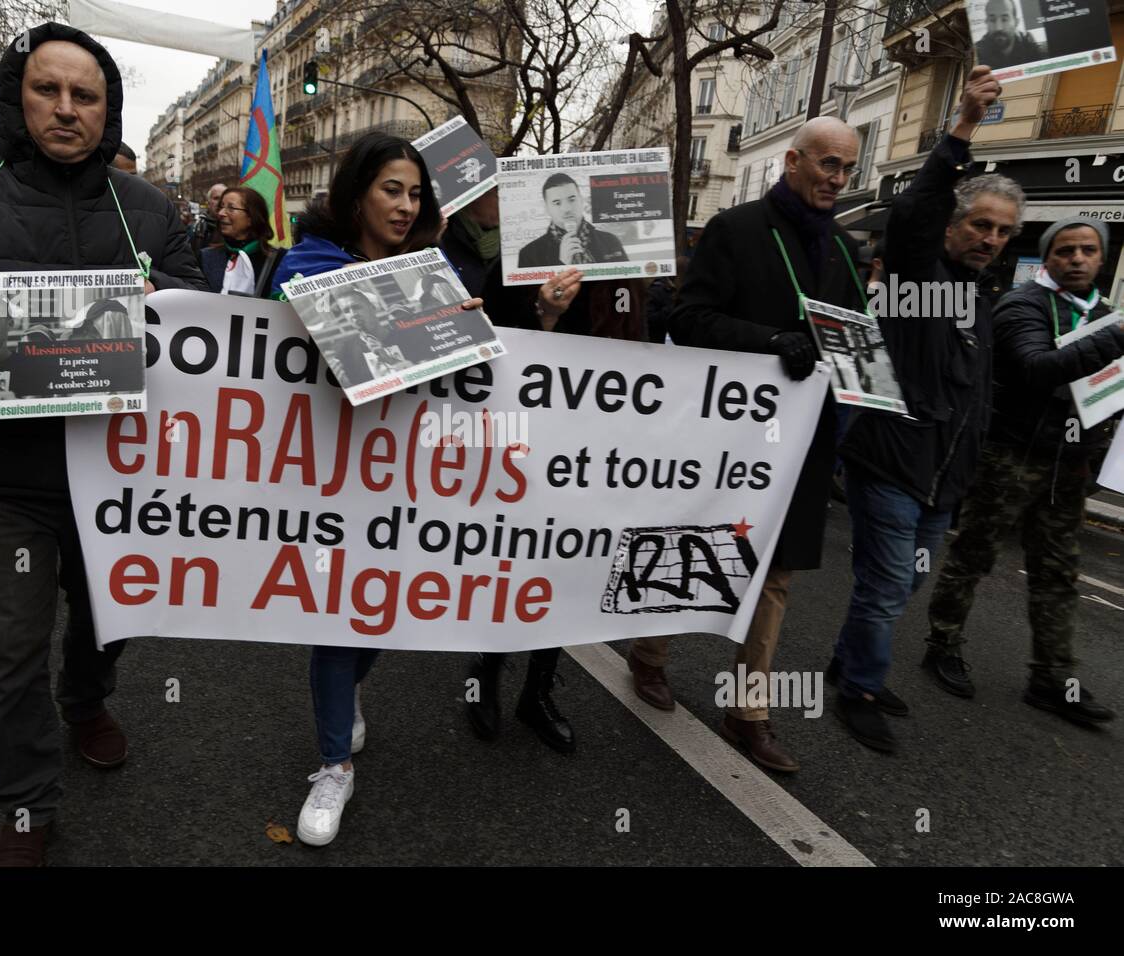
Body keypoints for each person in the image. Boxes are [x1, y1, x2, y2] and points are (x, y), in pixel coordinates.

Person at [0, 22, 207, 866]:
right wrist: (24, 328)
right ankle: (27, 807)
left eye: (85, 95)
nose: (66, 109)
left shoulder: (152, 209)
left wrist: (151, 291)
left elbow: (202, 319)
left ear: (108, 109)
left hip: (120, 470)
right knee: (3, 655)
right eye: (47, 90)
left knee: (106, 617)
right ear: (18, 98)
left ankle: (87, 699)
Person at [634, 116, 868, 774]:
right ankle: (649, 656)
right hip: (726, 433)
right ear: (792, 162)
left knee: (776, 574)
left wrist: (867, 375)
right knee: (698, 546)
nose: (838, 178)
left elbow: (852, 335)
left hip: (802, 440)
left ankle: (748, 712)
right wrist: (769, 342)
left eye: (848, 168)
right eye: (828, 164)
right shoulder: (734, 229)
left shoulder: (847, 248)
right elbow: (688, 318)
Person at [268, 131, 481, 847]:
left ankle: (349, 690)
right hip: (329, 469)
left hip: (405, 470)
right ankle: (334, 765)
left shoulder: (433, 267)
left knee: (381, 608)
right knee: (336, 614)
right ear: (357, 189)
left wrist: (534, 318)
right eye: (391, 188)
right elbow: (282, 320)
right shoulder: (310, 260)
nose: (404, 204)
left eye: (415, 193)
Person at [830, 66, 1022, 754]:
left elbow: (973, 397)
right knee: (885, 588)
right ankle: (858, 689)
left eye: (1003, 232)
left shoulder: (977, 296)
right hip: (892, 464)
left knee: (901, 587)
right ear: (953, 224)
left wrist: (968, 477)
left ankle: (849, 661)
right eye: (980, 224)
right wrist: (964, 123)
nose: (991, 238)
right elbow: (911, 216)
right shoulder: (922, 275)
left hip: (944, 482)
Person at [924, 217, 1121, 725]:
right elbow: (1036, 369)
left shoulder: (1102, 315)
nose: (1077, 259)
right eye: (1066, 250)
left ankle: (1052, 678)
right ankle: (942, 643)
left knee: (1057, 574)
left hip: (1067, 468)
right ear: (1048, 258)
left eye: (1087, 251)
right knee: (974, 555)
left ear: (1101, 260)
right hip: (1011, 457)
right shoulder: (1023, 305)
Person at [467, 258, 647, 754]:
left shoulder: (629, 267)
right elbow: (489, 350)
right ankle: (485, 671)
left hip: (596, 440)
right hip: (525, 438)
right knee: (508, 558)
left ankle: (539, 690)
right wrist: (543, 315)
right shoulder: (515, 258)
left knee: (565, 563)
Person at [517, 172, 628, 267]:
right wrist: (561, 264)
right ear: (546, 208)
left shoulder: (610, 241)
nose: (567, 209)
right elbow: (532, 292)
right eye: (557, 203)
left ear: (581, 200)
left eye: (572, 199)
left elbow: (627, 284)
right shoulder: (529, 254)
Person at [200, 186, 283, 298]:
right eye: (221, 207)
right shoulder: (206, 257)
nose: (221, 213)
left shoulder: (280, 260)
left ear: (251, 217)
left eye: (231, 208)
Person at [975, 0, 1046, 69]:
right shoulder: (978, 52)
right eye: (992, 20)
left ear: (1016, 22)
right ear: (986, 22)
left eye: (1004, 19)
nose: (998, 27)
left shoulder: (1027, 42)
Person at [191, 182, 227, 257]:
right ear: (208, 203)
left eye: (223, 198)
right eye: (216, 198)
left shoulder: (236, 227)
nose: (220, 202)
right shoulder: (197, 227)